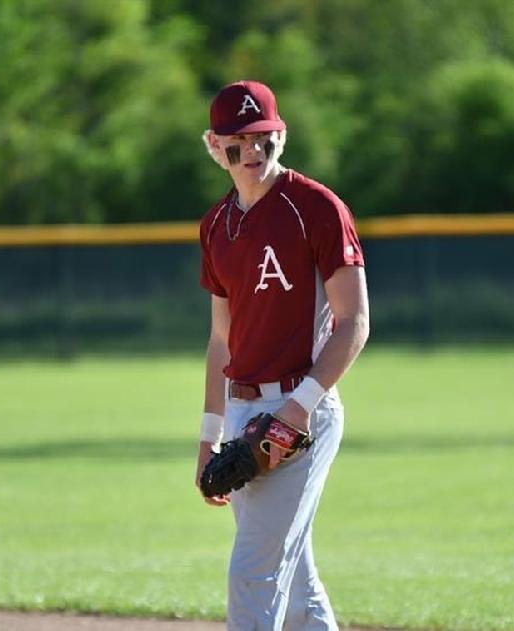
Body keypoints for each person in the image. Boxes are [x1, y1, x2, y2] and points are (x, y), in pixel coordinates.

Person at [193, 79, 370, 631]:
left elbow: (354, 323)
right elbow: (221, 343)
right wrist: (208, 437)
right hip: (245, 413)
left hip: (303, 412)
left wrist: (296, 411)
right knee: (293, 586)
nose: (253, 153)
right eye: (237, 142)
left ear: (282, 137)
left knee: (255, 570)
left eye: (264, 138)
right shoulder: (216, 226)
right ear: (213, 146)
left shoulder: (315, 207)